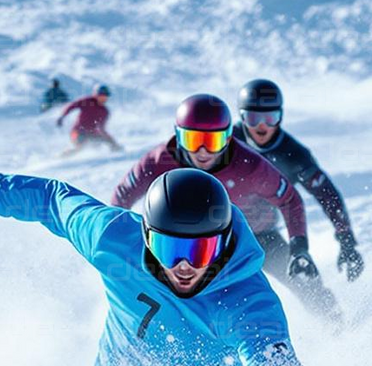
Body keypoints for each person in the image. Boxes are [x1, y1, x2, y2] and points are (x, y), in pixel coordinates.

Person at [0, 166, 308, 366]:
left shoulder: (245, 302)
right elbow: (52, 201)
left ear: (222, 243)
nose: (184, 266)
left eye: (200, 250)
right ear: (147, 238)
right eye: (169, 249)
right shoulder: (113, 239)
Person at [114, 94, 338, 320]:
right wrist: (124, 239)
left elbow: (289, 199)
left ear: (229, 138)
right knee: (175, 293)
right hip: (181, 244)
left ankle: (334, 322)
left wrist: (299, 247)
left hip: (256, 238)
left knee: (299, 277)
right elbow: (122, 195)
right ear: (178, 136)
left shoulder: (249, 165)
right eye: (193, 140)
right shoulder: (159, 160)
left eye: (212, 142)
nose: (203, 151)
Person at [235, 77, 365, 282]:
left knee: (306, 284)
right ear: (242, 118)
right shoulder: (225, 144)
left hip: (264, 237)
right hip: (220, 236)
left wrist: (346, 240)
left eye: (270, 118)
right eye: (252, 118)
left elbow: (327, 195)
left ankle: (333, 315)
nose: (261, 127)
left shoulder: (293, 155)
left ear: (281, 116)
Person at [58, 82, 119, 152]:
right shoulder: (87, 101)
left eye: (105, 96)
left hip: (90, 134)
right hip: (77, 132)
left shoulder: (104, 111)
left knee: (105, 141)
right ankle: (60, 158)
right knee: (80, 147)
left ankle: (118, 152)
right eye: (101, 95)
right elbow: (72, 106)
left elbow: (101, 128)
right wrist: (62, 116)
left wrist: (111, 141)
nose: (103, 98)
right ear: (95, 95)